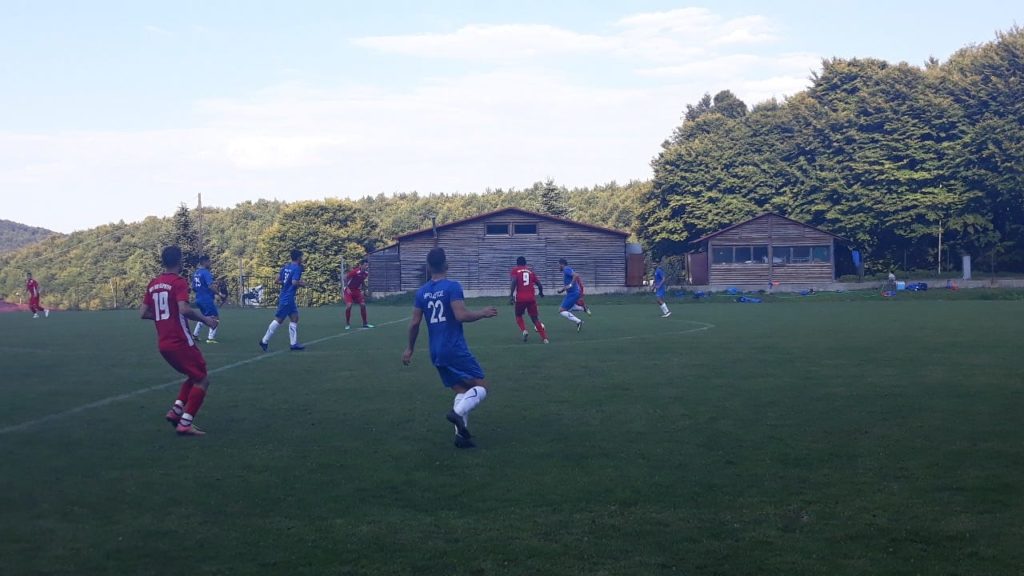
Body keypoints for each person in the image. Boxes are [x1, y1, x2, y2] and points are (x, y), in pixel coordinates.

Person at [403, 247, 498, 448]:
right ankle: (456, 414)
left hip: (435, 350)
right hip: (453, 347)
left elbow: (414, 323)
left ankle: (461, 437)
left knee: (462, 390)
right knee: (481, 387)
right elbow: (461, 315)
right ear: (446, 264)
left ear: (428, 267)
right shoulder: (452, 287)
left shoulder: (422, 292)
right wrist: (482, 313)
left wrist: (410, 349)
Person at [140, 246, 218, 436]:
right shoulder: (178, 282)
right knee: (202, 380)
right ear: (180, 261)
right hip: (180, 341)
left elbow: (143, 313)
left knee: (194, 374)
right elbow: (184, 309)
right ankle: (185, 422)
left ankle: (176, 411)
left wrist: (164, 317)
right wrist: (206, 320)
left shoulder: (153, 283)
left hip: (163, 343)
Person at [259, 249, 307, 351]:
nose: (302, 259)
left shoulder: (286, 267)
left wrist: (286, 283)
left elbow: (277, 281)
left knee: (295, 317)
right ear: (298, 258)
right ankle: (264, 341)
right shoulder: (297, 268)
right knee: (279, 319)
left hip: (287, 296)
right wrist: (302, 284)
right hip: (287, 298)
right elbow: (294, 282)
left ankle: (293, 344)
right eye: (301, 257)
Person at [509, 256, 549, 343]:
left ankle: (524, 330)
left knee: (518, 315)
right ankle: (545, 338)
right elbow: (539, 284)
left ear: (517, 263)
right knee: (535, 319)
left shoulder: (515, 270)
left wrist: (511, 295)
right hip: (531, 298)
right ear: (525, 263)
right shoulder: (530, 272)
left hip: (521, 298)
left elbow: (514, 281)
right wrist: (541, 293)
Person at [191, 255, 221, 343]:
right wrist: (219, 293)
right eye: (209, 261)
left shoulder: (196, 273)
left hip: (198, 298)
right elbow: (210, 286)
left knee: (204, 317)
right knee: (215, 317)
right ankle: (210, 338)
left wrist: (201, 291)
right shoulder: (206, 272)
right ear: (205, 262)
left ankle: (195, 335)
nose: (210, 263)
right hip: (206, 299)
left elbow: (193, 287)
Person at [344, 259, 374, 330]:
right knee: (349, 306)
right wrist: (347, 288)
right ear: (361, 265)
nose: (366, 266)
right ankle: (347, 323)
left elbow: (362, 281)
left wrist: (365, 290)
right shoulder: (355, 271)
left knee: (363, 305)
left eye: (367, 265)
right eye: (365, 265)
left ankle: (365, 323)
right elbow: (345, 278)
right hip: (349, 291)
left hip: (357, 291)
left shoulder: (365, 273)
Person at [556, 258, 584, 332]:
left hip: (573, 294)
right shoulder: (567, 270)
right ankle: (582, 308)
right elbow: (567, 285)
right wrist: (562, 290)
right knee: (569, 308)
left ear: (562, 264)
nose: (558, 266)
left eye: (559, 265)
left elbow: (576, 275)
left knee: (561, 310)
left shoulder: (566, 269)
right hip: (572, 293)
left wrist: (571, 284)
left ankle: (579, 321)